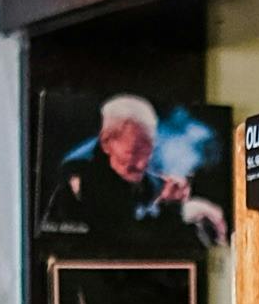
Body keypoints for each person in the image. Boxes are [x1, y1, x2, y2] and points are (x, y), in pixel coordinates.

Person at [42, 96, 225, 248]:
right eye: (133, 152)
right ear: (106, 142)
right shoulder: (81, 177)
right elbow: (126, 238)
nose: (142, 164)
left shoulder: (141, 176)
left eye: (148, 151)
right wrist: (179, 211)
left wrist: (169, 197)